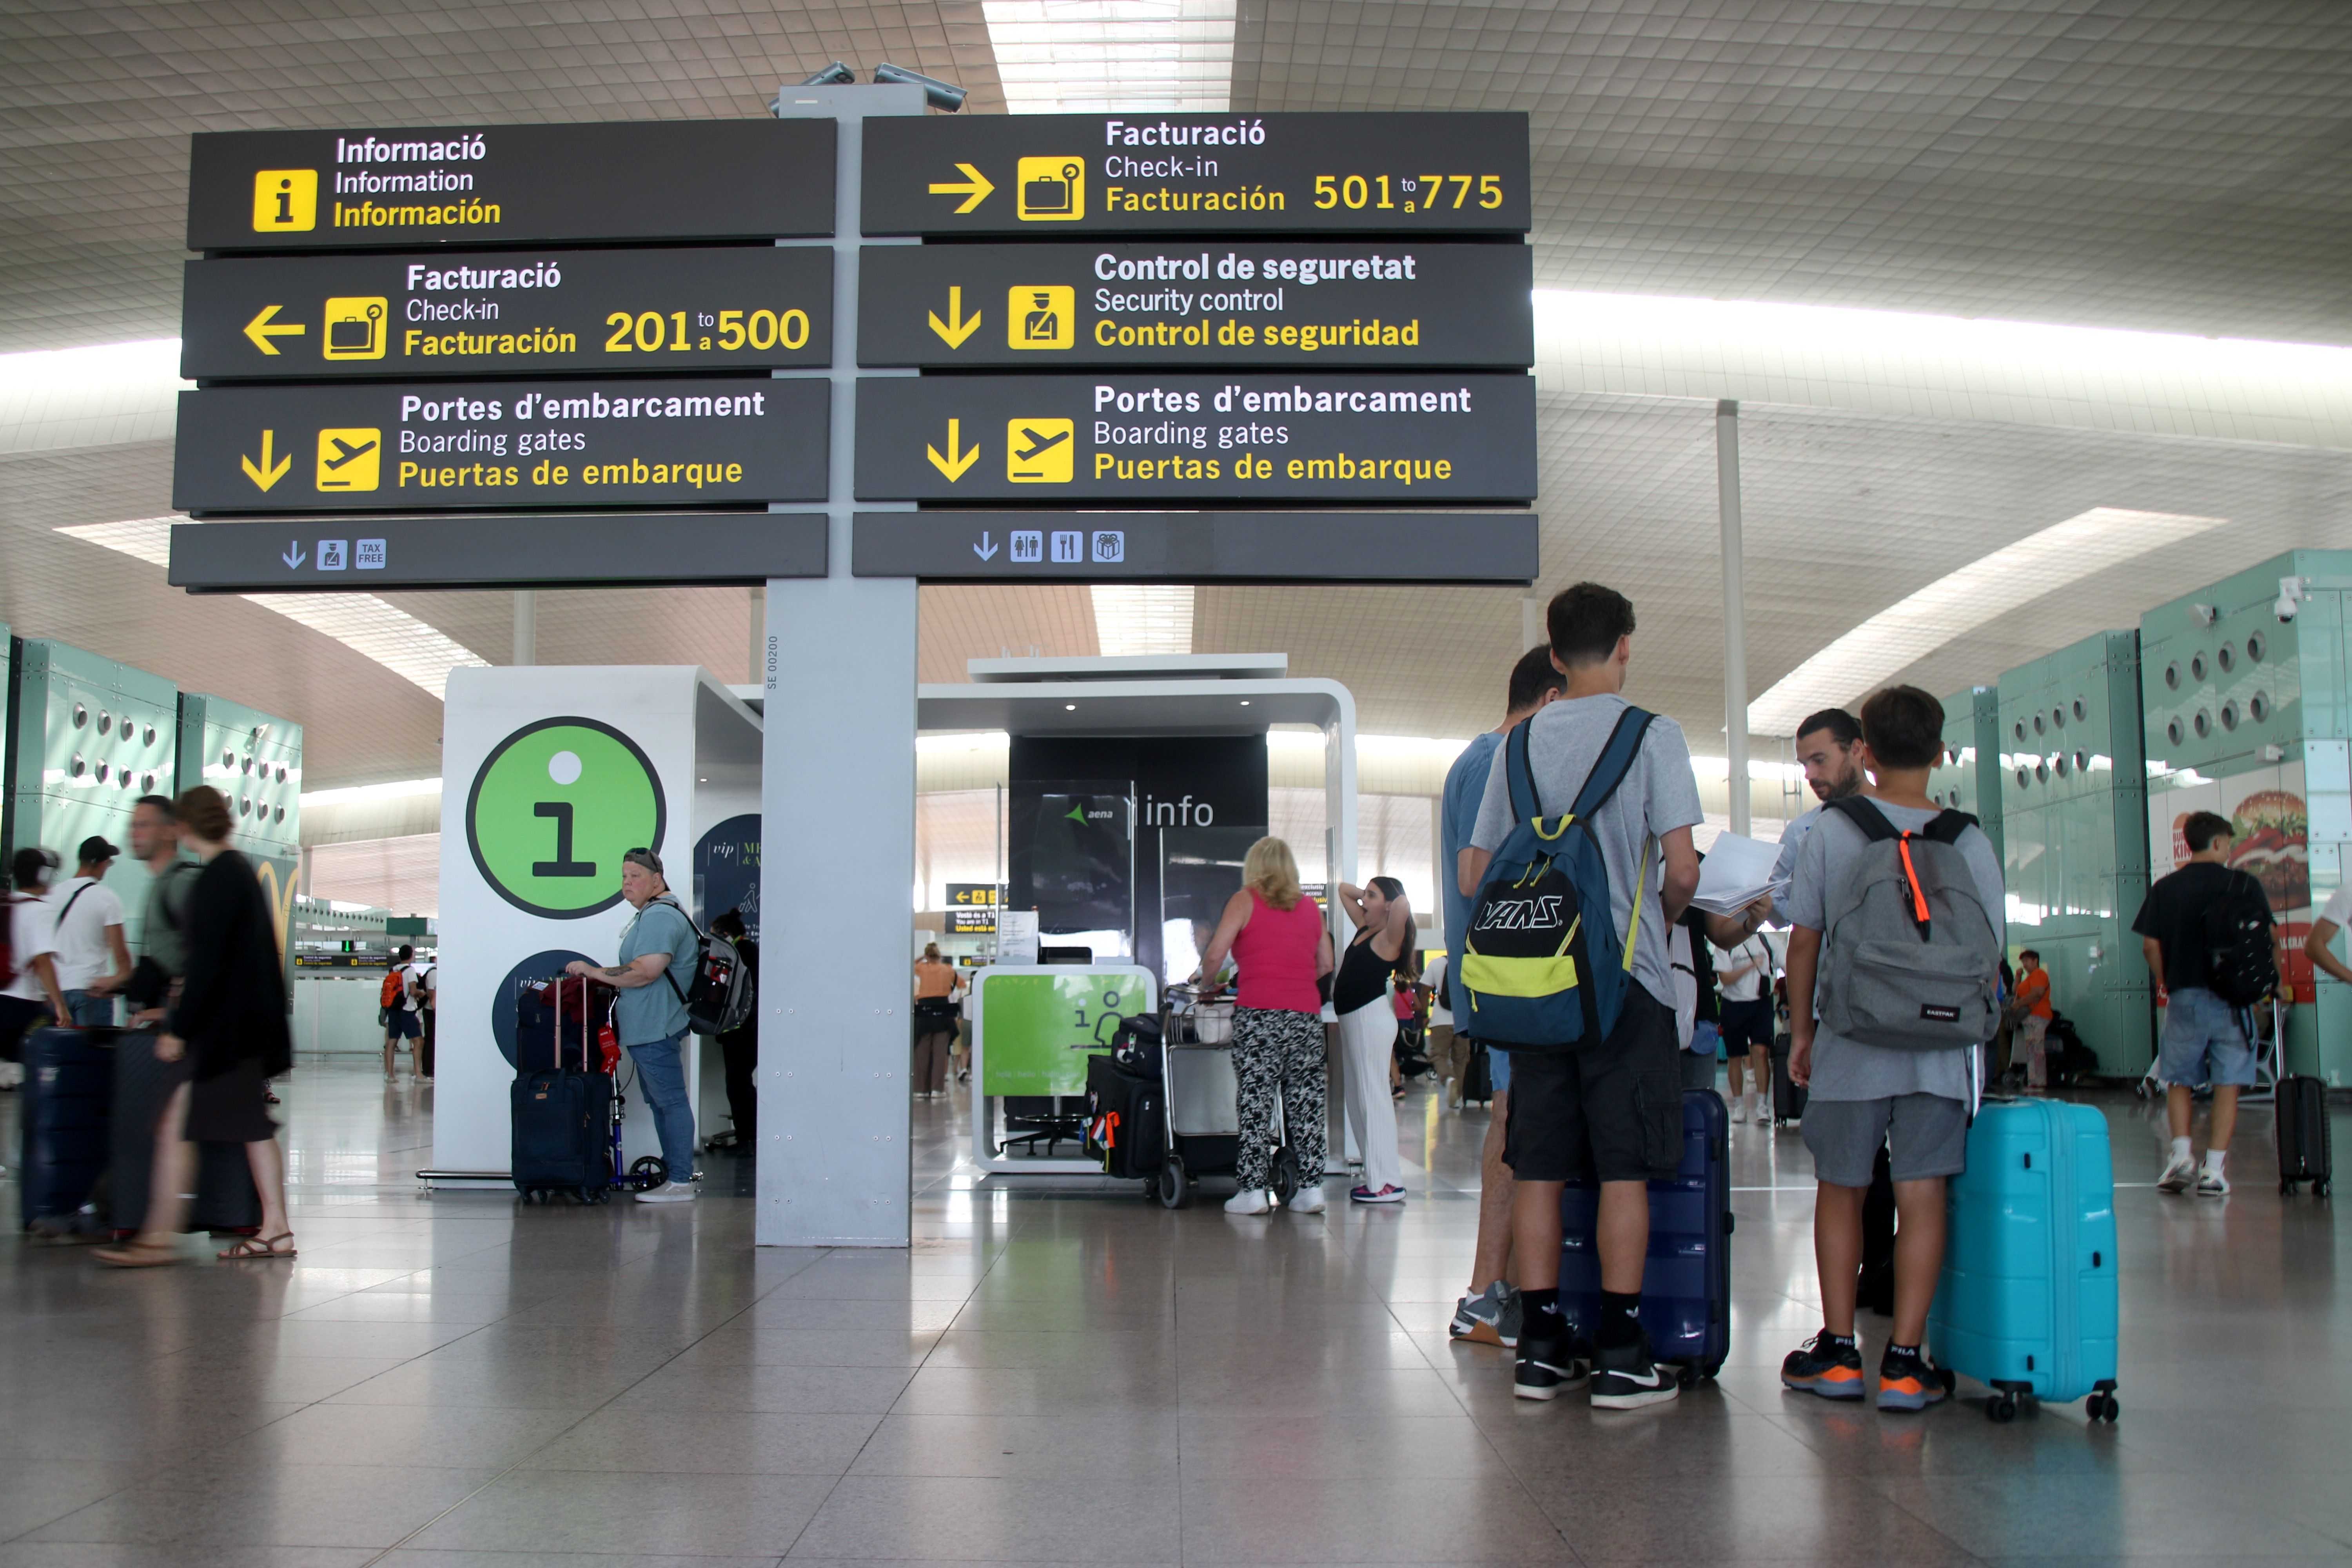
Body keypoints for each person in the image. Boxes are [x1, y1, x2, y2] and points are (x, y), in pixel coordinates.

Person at [1464, 584, 1702, 1408]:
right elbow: (1682, 869)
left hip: (1536, 986)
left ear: (1555, 656)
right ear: (1627, 646)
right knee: (1623, 1169)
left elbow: (1473, 870)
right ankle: (1622, 1347)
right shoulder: (1653, 735)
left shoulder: (1519, 743)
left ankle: (1538, 1345)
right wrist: (1658, 924)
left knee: (1539, 1168)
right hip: (1627, 986)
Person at [1779, 686, 2003, 1412]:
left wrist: (1804, 1032)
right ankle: (1907, 1363)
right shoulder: (1970, 839)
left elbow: (1805, 938)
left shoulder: (1835, 831)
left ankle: (1840, 1353)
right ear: (1941, 754)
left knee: (1842, 1188)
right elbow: (1990, 951)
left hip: (1852, 1038)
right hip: (1940, 1048)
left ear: (1865, 753)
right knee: (1922, 1194)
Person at [94, 786, 296, 1265]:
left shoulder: (213, 881)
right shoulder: (238, 871)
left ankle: (161, 1239)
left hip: (224, 1034)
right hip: (244, 1030)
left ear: (182, 828)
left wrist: (178, 1027)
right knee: (245, 1128)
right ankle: (274, 1229)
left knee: (183, 1126)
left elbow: (206, 966)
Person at [1445, 644, 1563, 1349]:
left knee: (1521, 1121)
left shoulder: (1473, 757)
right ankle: (1488, 1293)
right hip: (1517, 975)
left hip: (1497, 975)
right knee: (1518, 1124)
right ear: (1551, 701)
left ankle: (1502, 1291)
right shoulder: (1504, 762)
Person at [1195, 835, 1334, 1216]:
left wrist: (1209, 984)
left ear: (1254, 867)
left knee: (1256, 1101)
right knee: (1306, 1102)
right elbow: (1326, 963)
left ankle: (1253, 1191)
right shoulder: (1310, 909)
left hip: (1259, 1015)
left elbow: (1215, 954)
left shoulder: (1245, 901)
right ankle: (1311, 1189)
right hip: (1305, 1017)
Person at [2133, 811, 2269, 1197]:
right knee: (2228, 1083)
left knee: (2178, 1078)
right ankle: (2214, 1170)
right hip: (2235, 999)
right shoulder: (2243, 884)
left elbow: (2149, 945)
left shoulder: (2167, 888)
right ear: (2218, 842)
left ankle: (2180, 1157)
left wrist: (2171, 981)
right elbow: (2266, 937)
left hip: (2185, 996)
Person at [564, 848, 699, 1202]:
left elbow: (645, 971)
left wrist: (594, 972)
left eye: (635, 876)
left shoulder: (659, 917)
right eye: (624, 877)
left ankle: (681, 1181)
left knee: (669, 1102)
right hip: (651, 1027)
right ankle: (675, 1176)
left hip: (656, 1027)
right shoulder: (655, 914)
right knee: (662, 1103)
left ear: (657, 880)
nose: (627, 884)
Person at [1334, 876, 1417, 1203]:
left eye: (1371, 895)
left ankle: (1388, 1182)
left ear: (1387, 904)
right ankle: (1375, 1176)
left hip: (1370, 1021)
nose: (1363, 901)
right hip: (1355, 1022)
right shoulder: (1366, 928)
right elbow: (1342, 889)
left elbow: (1404, 905)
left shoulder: (1389, 937)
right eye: (1365, 895)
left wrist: (1389, 900)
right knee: (1358, 1100)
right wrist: (1373, 901)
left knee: (1374, 1099)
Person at [47, 836, 132, 1027]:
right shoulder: (107, 899)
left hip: (55, 993)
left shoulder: (51, 895)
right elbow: (122, 960)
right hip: (91, 991)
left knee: (59, 1054)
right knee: (93, 1055)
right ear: (103, 864)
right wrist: (118, 979)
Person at [2, 848, 70, 1063]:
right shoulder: (40, 911)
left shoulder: (8, 904)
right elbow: (42, 961)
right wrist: (60, 1004)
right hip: (22, 1003)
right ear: (43, 875)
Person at [1715, 928, 1774, 1122]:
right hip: (1733, 1005)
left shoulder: (1766, 941)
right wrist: (1750, 965)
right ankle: (1740, 1107)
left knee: (1761, 1051)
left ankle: (1763, 1106)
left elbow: (1788, 962)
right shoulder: (1725, 943)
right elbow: (1725, 979)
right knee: (1735, 1057)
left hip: (1761, 1003)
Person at [712, 908, 759, 1149]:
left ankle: (746, 1137)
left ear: (727, 934)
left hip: (740, 1030)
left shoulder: (738, 954)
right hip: (746, 1029)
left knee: (738, 1083)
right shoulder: (748, 951)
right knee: (741, 1082)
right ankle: (749, 1135)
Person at [912, 941, 960, 1100]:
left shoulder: (922, 968)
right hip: (943, 1010)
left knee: (922, 1051)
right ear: (939, 955)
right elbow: (961, 984)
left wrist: (924, 958)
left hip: (925, 1011)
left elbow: (912, 964)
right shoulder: (947, 970)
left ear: (927, 955)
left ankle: (920, 1089)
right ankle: (937, 1090)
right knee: (940, 1052)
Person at [1421, 953, 1464, 1106]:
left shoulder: (1436, 963)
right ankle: (1456, 1099)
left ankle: (1448, 1079)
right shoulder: (1466, 960)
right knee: (1461, 1059)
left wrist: (1424, 1015)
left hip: (1441, 1020)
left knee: (1438, 1055)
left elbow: (1425, 991)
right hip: (1463, 1020)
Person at [2007, 948, 2053, 1091]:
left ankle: (2038, 1081)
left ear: (2036, 961)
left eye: (2027, 961)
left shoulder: (2040, 975)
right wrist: (2018, 976)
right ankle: (2034, 1081)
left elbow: (2037, 993)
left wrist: (2019, 1004)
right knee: (2031, 1049)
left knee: (2036, 1049)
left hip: (2039, 1015)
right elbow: (2016, 991)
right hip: (2030, 1018)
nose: (2025, 964)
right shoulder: (2029, 978)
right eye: (2023, 962)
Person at [381, 942, 423, 1082]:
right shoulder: (410, 971)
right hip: (407, 1011)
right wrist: (421, 994)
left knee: (391, 1042)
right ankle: (419, 1074)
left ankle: (390, 1074)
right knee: (418, 1041)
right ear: (412, 955)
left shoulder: (393, 970)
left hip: (393, 1010)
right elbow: (413, 991)